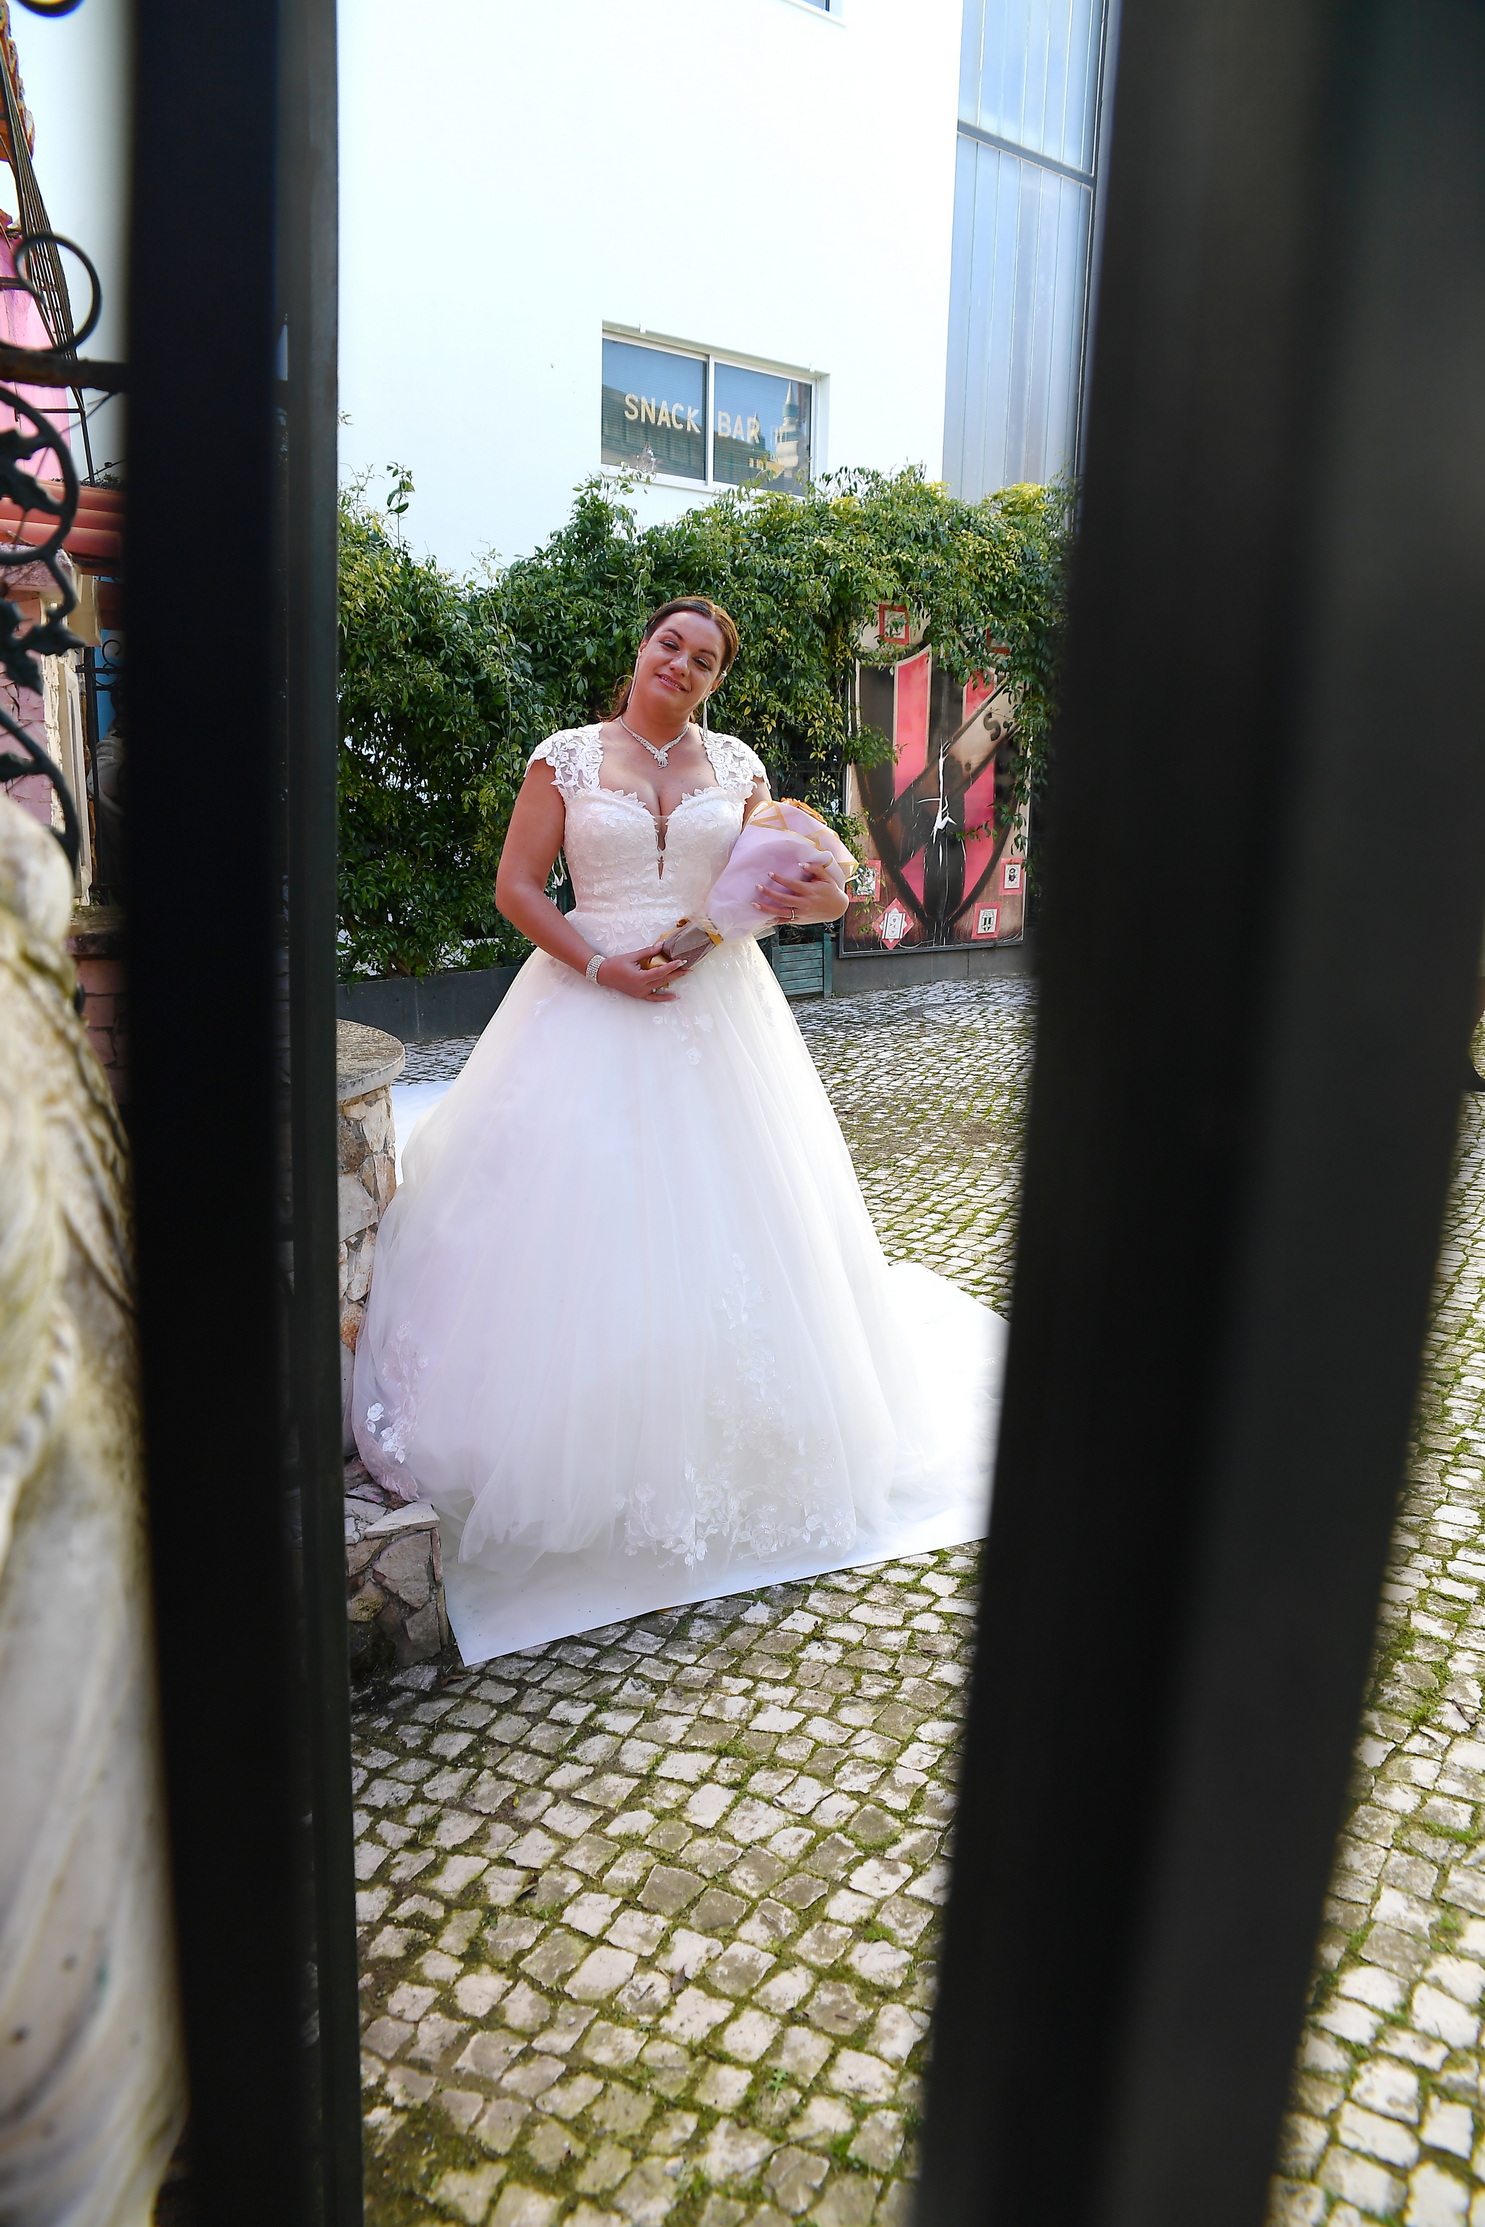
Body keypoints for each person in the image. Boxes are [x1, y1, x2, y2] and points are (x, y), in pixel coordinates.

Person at [353, 597, 1006, 1664]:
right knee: (574, 1222)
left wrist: (809, 894)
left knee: (736, 1220)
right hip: (583, 996)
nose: (683, 665)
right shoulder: (565, 756)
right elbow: (517, 887)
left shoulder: (740, 765)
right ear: (642, 647)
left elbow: (791, 891)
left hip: (718, 1006)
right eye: (671, 644)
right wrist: (598, 964)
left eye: (704, 659)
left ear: (715, 678)